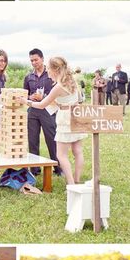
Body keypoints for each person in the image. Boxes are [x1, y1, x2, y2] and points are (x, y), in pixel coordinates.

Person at [20, 56, 86, 185]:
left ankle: (71, 184)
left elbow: (42, 104)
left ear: (55, 70)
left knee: (61, 155)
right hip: (76, 116)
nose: (48, 71)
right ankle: (77, 180)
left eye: (49, 69)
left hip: (65, 119)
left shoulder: (58, 87)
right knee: (77, 151)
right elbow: (76, 100)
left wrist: (25, 101)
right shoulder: (72, 82)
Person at [23, 48, 61, 176]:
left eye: (36, 60)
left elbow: (56, 93)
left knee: (52, 139)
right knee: (32, 140)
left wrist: (43, 97)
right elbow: (25, 94)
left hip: (48, 110)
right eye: (31, 60)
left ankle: (58, 167)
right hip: (33, 111)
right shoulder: (28, 77)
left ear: (42, 59)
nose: (34, 62)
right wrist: (30, 97)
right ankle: (34, 169)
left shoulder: (50, 74)